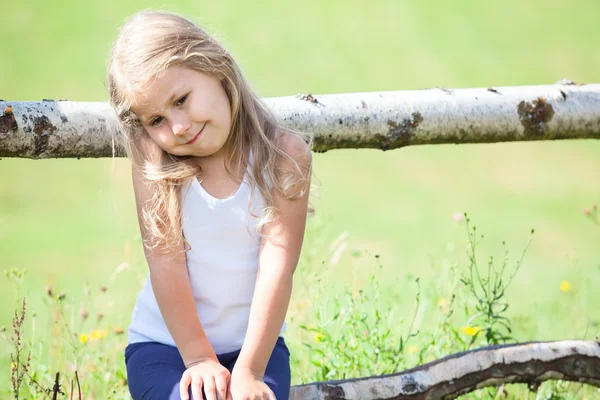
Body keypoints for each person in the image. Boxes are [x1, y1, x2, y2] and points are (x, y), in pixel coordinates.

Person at [106, 10, 312, 400]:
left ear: (215, 66)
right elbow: (165, 262)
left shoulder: (284, 156)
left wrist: (250, 370)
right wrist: (199, 359)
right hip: (165, 347)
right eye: (156, 119)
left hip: (257, 350)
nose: (177, 127)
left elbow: (277, 268)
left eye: (181, 100)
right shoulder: (157, 162)